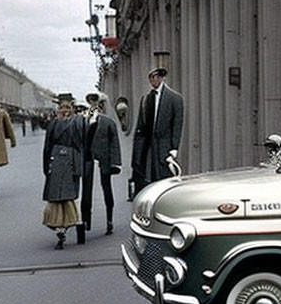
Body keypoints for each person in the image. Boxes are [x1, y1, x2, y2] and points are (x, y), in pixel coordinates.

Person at [42, 98, 87, 249]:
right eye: (62, 108)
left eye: (68, 107)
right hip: (59, 162)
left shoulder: (76, 122)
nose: (65, 110)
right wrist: (46, 166)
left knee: (68, 196)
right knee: (58, 197)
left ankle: (66, 226)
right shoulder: (57, 123)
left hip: (68, 161)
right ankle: (61, 227)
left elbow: (82, 143)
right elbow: (47, 145)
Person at [132, 67, 184, 195]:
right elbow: (141, 126)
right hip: (148, 145)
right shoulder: (146, 99)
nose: (154, 80)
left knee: (164, 177)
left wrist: (174, 147)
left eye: (156, 77)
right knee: (147, 177)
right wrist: (137, 153)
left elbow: (177, 124)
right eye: (151, 77)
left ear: (162, 78)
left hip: (164, 145)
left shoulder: (174, 98)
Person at [81, 92, 122, 236]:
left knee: (107, 190)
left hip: (104, 160)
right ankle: (86, 220)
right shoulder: (83, 120)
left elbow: (114, 143)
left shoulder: (108, 122)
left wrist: (116, 163)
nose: (93, 104)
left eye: (95, 101)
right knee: (86, 192)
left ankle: (109, 220)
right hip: (87, 159)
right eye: (91, 101)